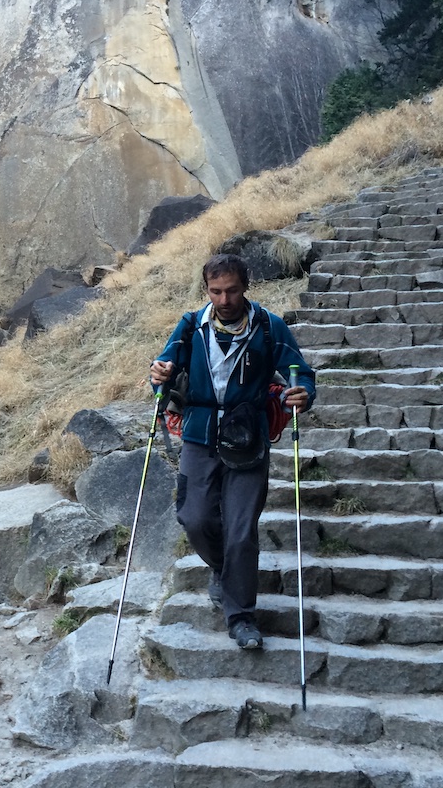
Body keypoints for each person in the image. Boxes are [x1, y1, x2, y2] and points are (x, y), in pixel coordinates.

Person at [149, 254, 315, 650]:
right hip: (199, 434)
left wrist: (304, 394)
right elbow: (163, 367)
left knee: (241, 531)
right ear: (206, 289)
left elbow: (301, 371)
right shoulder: (192, 326)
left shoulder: (269, 327)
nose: (224, 299)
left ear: (246, 286)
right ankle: (225, 572)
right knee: (193, 516)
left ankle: (241, 617)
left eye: (232, 290)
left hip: (248, 437)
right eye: (216, 291)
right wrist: (157, 374)